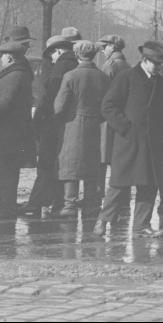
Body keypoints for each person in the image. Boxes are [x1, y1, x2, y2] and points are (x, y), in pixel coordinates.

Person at [95, 41, 163, 237]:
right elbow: (108, 106)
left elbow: (161, 110)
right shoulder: (126, 77)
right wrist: (125, 128)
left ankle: (141, 226)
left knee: (149, 184)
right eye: (156, 63)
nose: (159, 67)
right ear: (144, 60)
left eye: (161, 64)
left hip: (153, 143)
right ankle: (103, 221)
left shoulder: (158, 80)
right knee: (120, 183)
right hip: (129, 141)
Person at [19, 34, 77, 217]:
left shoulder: (61, 65)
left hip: (52, 121)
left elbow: (53, 94)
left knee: (46, 163)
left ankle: (37, 202)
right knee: (57, 163)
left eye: (51, 54)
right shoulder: (74, 63)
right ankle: (55, 201)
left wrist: (44, 113)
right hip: (67, 121)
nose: (51, 59)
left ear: (58, 50)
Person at [52, 41, 110, 218]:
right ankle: (91, 204)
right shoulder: (103, 77)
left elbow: (59, 106)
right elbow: (107, 105)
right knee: (91, 162)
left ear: (76, 55)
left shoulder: (71, 75)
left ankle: (69, 205)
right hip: (95, 123)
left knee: (71, 162)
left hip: (72, 123)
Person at [0, 42, 35, 219]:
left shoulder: (13, 77)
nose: (0, 59)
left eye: (2, 56)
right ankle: (3, 205)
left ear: (9, 58)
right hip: (9, 134)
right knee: (6, 172)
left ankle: (5, 209)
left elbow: (4, 105)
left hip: (5, 135)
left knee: (6, 173)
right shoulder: (18, 74)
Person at [97, 35, 130, 207]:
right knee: (119, 160)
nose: (102, 50)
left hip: (107, 118)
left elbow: (102, 93)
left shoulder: (109, 65)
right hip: (122, 117)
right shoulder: (127, 65)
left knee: (102, 158)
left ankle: (97, 195)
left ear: (112, 47)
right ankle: (123, 198)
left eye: (104, 47)